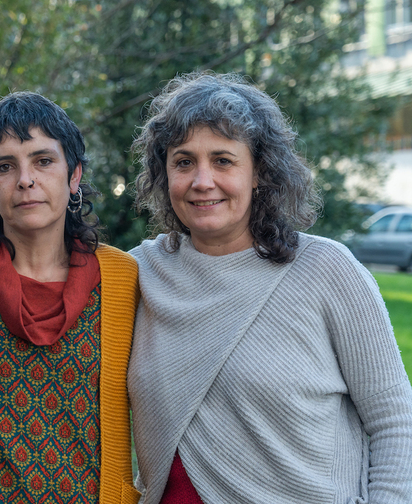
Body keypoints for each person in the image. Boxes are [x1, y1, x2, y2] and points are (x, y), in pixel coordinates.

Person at [127, 72, 412, 503]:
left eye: (223, 160)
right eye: (184, 162)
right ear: (164, 175)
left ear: (259, 171)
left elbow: (395, 420)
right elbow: (44, 280)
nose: (202, 181)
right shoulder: (137, 274)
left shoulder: (326, 270)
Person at [0, 91, 141, 504]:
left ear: (75, 176)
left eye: (43, 161)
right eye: (5, 166)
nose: (25, 180)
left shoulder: (124, 278)